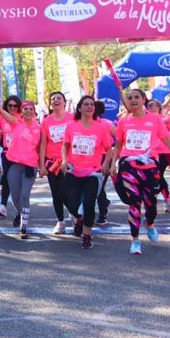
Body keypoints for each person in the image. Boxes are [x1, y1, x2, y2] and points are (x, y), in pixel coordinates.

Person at [109, 89, 170, 255]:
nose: (133, 100)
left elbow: (166, 139)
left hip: (150, 166)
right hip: (129, 165)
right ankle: (135, 240)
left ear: (144, 100)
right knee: (134, 202)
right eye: (130, 98)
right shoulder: (123, 122)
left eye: (137, 97)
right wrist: (113, 163)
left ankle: (150, 224)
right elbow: (119, 145)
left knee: (151, 205)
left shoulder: (155, 119)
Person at [62, 96, 114, 249]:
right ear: (79, 108)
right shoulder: (71, 126)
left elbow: (109, 149)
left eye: (92, 104)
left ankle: (87, 236)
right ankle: (78, 218)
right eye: (86, 104)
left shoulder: (101, 128)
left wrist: (105, 163)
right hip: (74, 170)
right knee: (68, 201)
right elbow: (65, 145)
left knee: (89, 203)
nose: (89, 107)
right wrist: (64, 160)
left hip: (93, 172)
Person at [0, 90, 42, 238]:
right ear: (22, 111)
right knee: (16, 197)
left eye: (31, 109)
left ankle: (24, 225)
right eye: (26, 109)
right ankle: (20, 212)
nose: (28, 111)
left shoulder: (39, 128)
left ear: (34, 112)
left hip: (30, 166)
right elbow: (0, 110)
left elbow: (41, 148)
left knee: (25, 195)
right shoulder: (15, 123)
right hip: (15, 164)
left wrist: (42, 165)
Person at [39, 91, 72, 233]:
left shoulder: (73, 118)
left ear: (64, 102)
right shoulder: (46, 121)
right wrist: (41, 165)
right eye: (53, 99)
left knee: (69, 193)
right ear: (51, 104)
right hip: (52, 162)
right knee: (56, 193)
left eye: (59, 98)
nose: (56, 100)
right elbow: (43, 144)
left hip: (70, 161)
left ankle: (75, 214)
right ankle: (61, 222)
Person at [0, 94, 22, 219]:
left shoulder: (21, 117)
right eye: (10, 106)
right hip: (6, 153)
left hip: (20, 154)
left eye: (15, 106)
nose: (12, 108)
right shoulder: (1, 117)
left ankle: (20, 211)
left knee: (17, 183)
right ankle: (3, 206)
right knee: (7, 177)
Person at [146, 98, 170, 213]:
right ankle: (164, 198)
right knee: (154, 177)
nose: (150, 107)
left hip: (164, 152)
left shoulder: (164, 119)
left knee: (159, 175)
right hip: (151, 153)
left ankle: (167, 199)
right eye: (148, 105)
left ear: (159, 107)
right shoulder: (145, 120)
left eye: (153, 105)